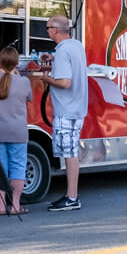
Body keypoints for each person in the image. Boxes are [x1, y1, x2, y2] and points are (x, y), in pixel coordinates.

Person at [34, 14, 87, 212]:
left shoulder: (64, 50)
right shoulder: (75, 45)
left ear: (55, 30)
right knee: (69, 151)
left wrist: (47, 80)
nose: (46, 30)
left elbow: (65, 82)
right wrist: (53, 58)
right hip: (76, 108)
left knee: (70, 153)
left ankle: (72, 197)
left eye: (48, 27)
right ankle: (71, 195)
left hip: (67, 109)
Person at [0, 45, 32, 215]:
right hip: (17, 131)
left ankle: (2, 205)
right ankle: (16, 205)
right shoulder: (24, 82)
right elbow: (28, 99)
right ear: (17, 63)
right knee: (17, 166)